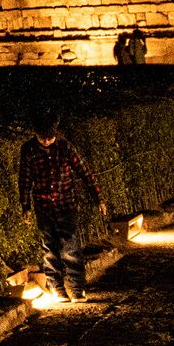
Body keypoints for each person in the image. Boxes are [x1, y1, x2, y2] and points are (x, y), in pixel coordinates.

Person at [20, 121, 102, 300]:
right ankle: (57, 288)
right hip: (43, 206)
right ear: (36, 135)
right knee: (50, 249)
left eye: (50, 138)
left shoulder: (64, 147)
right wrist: (25, 207)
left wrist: (98, 198)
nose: (47, 142)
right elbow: (25, 180)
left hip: (66, 204)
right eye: (43, 138)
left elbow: (84, 171)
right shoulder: (29, 150)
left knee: (70, 247)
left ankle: (77, 288)